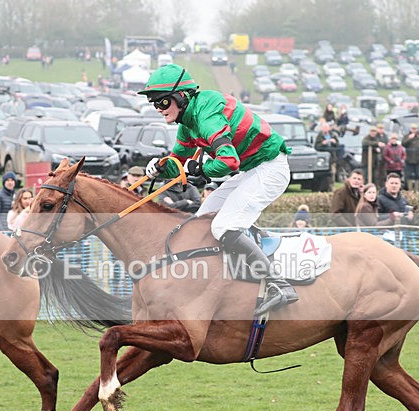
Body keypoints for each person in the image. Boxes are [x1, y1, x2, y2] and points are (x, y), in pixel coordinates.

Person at [139, 63, 297, 315]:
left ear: (182, 96)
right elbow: (179, 166)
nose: (158, 109)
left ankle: (278, 285)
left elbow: (228, 161)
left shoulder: (206, 113)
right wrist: (159, 168)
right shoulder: (188, 123)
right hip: (251, 171)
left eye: (162, 102)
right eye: (155, 104)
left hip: (270, 169)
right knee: (199, 223)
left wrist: (200, 169)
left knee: (224, 226)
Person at [314, 121, 340, 191]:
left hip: (332, 157)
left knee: (333, 173)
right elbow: (316, 146)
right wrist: (323, 143)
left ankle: (332, 187)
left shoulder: (333, 135)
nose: (325, 129)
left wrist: (334, 142)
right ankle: (323, 188)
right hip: (323, 159)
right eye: (324, 128)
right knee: (325, 174)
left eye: (326, 128)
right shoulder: (319, 136)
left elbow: (338, 145)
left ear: (328, 128)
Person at [402, 123, 419, 193]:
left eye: (415, 129)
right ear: (410, 129)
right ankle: (410, 190)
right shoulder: (407, 136)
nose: (414, 130)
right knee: (409, 175)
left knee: (417, 175)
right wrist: (409, 139)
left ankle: (417, 190)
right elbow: (403, 144)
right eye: (412, 129)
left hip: (417, 158)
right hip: (409, 159)